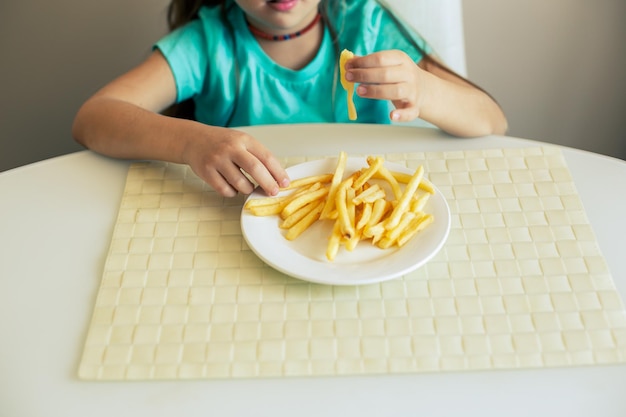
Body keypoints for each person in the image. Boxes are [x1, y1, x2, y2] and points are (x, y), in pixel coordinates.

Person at [72, 0, 508, 198]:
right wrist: (192, 143)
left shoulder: (367, 23)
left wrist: (426, 89)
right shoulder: (208, 43)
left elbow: (492, 120)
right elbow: (94, 118)